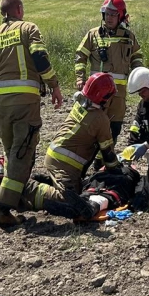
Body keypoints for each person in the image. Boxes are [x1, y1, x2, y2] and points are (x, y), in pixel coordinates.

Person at [0, 0, 64, 228]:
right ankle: (2, 209)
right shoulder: (28, 28)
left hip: (2, 107)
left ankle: (18, 199)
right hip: (25, 102)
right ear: (19, 9)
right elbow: (39, 57)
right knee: (21, 156)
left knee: (12, 155)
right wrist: (54, 85)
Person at [20, 72, 118, 220]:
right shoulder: (100, 119)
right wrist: (117, 171)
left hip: (56, 156)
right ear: (104, 98)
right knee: (73, 203)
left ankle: (47, 182)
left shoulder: (81, 104)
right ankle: (29, 189)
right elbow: (108, 155)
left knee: (78, 192)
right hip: (64, 164)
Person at [74, 0, 144, 141]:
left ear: (121, 16)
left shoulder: (129, 37)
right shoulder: (93, 35)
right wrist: (80, 77)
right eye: (107, 14)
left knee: (115, 127)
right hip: (97, 92)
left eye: (113, 14)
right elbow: (80, 55)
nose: (109, 18)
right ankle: (95, 159)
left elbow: (136, 57)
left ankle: (107, 161)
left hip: (119, 94)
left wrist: (139, 77)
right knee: (94, 126)